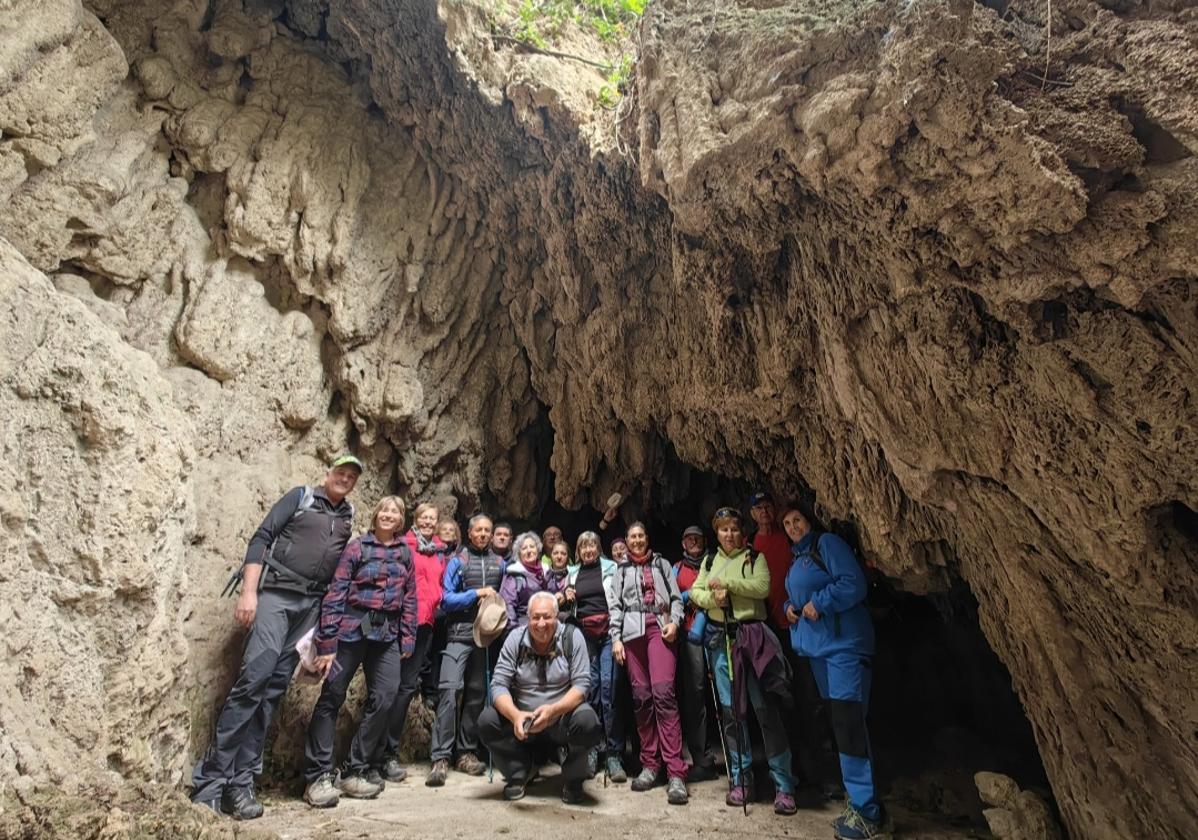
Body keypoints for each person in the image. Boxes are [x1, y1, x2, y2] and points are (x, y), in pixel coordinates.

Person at [191, 455, 361, 819]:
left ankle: (241, 783)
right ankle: (211, 782)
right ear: (328, 473)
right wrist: (248, 593)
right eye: (340, 472)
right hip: (276, 596)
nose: (344, 479)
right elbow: (262, 538)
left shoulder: (348, 517)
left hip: (309, 607)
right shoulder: (299, 497)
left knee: (272, 691)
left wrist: (326, 635)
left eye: (351, 477)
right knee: (253, 679)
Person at [303, 496, 418, 807]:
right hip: (351, 631)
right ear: (376, 513)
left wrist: (408, 637)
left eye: (395, 511)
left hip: (386, 636)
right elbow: (337, 590)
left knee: (385, 697)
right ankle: (317, 775)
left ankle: (355, 768)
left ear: (401, 520)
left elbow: (410, 597)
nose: (389, 515)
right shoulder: (357, 547)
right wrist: (328, 641)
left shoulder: (404, 553)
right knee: (332, 695)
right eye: (384, 509)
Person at [782, 507, 889, 839]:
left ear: (810, 521)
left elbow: (853, 583)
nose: (792, 526)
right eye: (787, 523)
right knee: (843, 724)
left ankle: (868, 813)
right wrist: (790, 606)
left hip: (844, 647)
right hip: (820, 651)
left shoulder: (826, 544)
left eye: (797, 519)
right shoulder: (797, 558)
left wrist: (821, 602)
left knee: (848, 725)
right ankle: (862, 805)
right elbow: (799, 594)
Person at [690, 507, 797, 815]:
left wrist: (731, 587)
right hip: (720, 639)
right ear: (717, 532)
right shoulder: (710, 561)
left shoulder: (753, 558)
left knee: (765, 709)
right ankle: (741, 778)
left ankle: (783, 783)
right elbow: (697, 592)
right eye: (724, 529)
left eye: (735, 529)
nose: (729, 534)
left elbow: (762, 587)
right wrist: (714, 600)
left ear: (742, 532)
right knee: (731, 712)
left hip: (752, 636)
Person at [477, 592, 601, 804]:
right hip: (525, 723)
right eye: (535, 617)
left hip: (562, 718)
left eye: (547, 617)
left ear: (556, 616)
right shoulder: (515, 639)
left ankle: (573, 778)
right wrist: (515, 716)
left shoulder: (572, 637)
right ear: (528, 618)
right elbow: (498, 685)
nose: (541, 623)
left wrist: (553, 710)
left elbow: (582, 686)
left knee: (588, 722)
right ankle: (519, 771)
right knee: (486, 721)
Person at [610, 522, 688, 805]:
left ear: (647, 538)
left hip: (659, 628)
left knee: (664, 694)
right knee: (642, 698)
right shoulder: (621, 570)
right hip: (632, 634)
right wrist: (615, 639)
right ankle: (650, 764)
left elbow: (677, 599)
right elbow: (615, 605)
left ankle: (675, 770)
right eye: (632, 536)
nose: (637, 540)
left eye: (641, 535)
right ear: (627, 541)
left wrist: (675, 623)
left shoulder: (662, 564)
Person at [427, 514, 504, 786]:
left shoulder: (499, 564)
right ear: (469, 534)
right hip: (458, 636)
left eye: (487, 530)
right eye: (478, 530)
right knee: (449, 690)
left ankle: (467, 752)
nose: (483, 534)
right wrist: (476, 594)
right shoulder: (459, 562)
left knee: (476, 695)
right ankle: (440, 756)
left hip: (484, 639)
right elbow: (445, 599)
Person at [380, 502, 445, 782]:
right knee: (386, 687)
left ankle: (388, 754)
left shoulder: (438, 552)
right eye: (424, 518)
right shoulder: (404, 545)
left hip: (425, 626)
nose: (429, 522)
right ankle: (372, 753)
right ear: (415, 520)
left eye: (433, 518)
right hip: (400, 623)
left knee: (406, 688)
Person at [565, 531, 626, 782]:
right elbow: (567, 603)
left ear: (598, 548)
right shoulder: (572, 573)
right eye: (583, 546)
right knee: (589, 691)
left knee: (609, 691)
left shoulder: (612, 567)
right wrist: (567, 593)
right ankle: (591, 750)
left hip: (608, 633)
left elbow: (620, 598)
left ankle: (614, 754)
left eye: (592, 545)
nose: (588, 550)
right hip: (585, 636)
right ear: (578, 551)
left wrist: (619, 635)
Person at [672, 525, 718, 782]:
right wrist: (687, 596)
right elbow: (669, 597)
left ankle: (736, 761)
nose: (693, 542)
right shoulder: (676, 568)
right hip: (689, 635)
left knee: (726, 695)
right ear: (683, 543)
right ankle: (703, 758)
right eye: (689, 538)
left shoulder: (714, 563)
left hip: (717, 631)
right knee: (695, 695)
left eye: (697, 538)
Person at [421, 518, 461, 708]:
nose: (446, 531)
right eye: (443, 528)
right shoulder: (430, 552)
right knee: (424, 649)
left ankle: (432, 691)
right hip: (429, 607)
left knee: (439, 651)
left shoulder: (459, 556)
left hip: (448, 611)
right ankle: (419, 685)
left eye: (451, 529)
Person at [500, 532, 549, 629]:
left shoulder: (548, 572)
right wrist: (514, 632)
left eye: (532, 546)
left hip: (547, 624)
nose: (529, 550)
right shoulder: (514, 575)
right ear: (519, 553)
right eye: (524, 548)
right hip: (525, 626)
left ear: (538, 549)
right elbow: (508, 606)